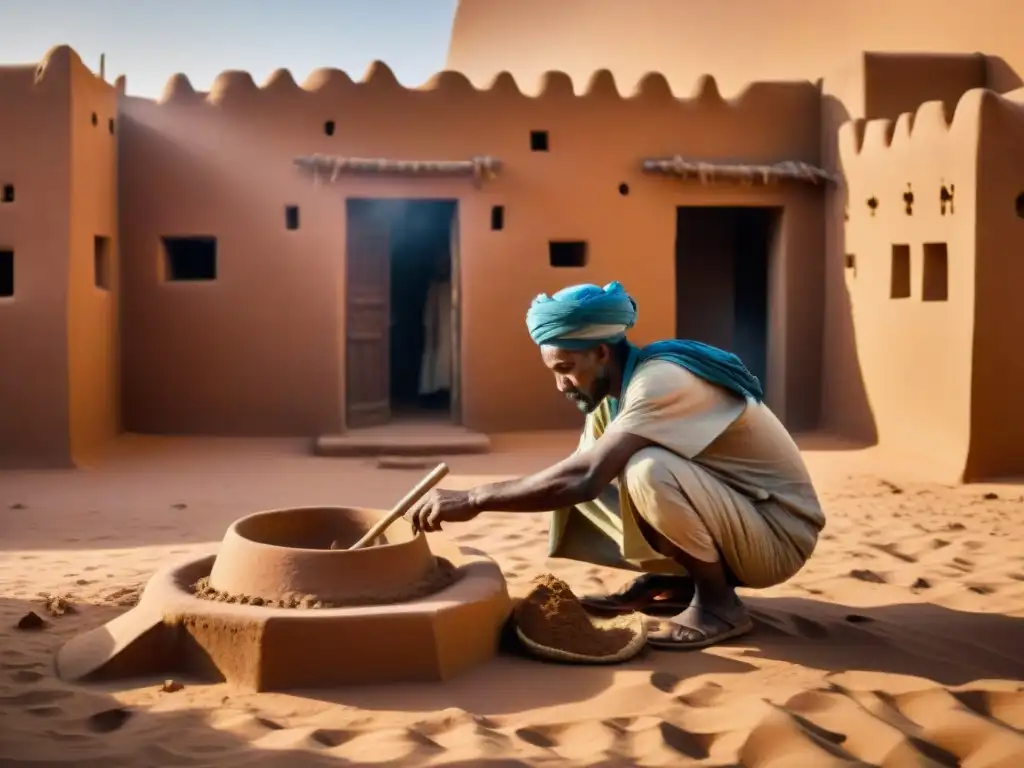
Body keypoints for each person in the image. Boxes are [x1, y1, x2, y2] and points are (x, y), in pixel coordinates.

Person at [405, 281, 824, 650]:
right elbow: (580, 472)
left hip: (777, 536)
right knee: (595, 472)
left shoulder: (661, 381)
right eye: (554, 372)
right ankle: (677, 579)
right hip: (739, 520)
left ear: (601, 352)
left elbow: (585, 479)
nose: (561, 385)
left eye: (566, 369)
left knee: (645, 470)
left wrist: (475, 497)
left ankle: (719, 605)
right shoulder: (613, 399)